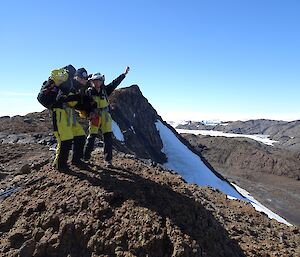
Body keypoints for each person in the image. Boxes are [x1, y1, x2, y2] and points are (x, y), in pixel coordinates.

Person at [83, 66, 130, 167]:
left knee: (108, 137)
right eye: (95, 80)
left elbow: (115, 83)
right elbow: (85, 104)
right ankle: (86, 158)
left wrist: (124, 74)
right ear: (92, 81)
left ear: (101, 80)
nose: (97, 82)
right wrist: (89, 112)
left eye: (99, 80)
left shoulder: (105, 90)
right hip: (95, 116)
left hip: (105, 116)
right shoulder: (89, 92)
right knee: (91, 137)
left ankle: (108, 160)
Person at [53, 67, 95, 171]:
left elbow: (75, 104)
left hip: (70, 116)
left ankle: (77, 160)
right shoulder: (68, 85)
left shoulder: (79, 88)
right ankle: (60, 165)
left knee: (80, 136)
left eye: (84, 79)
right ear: (76, 77)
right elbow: (61, 99)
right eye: (81, 78)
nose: (83, 80)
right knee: (65, 140)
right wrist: (79, 98)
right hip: (60, 114)